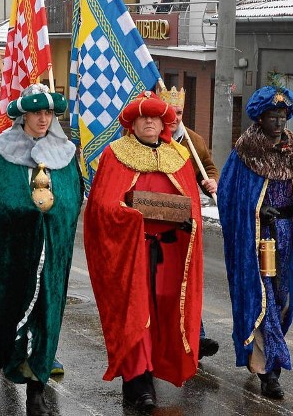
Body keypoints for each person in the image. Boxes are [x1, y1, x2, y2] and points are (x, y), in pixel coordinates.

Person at [84, 91, 204, 410]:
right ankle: (138, 382)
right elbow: (101, 207)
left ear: (164, 122)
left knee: (162, 314)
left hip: (167, 256)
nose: (149, 121)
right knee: (137, 315)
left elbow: (190, 206)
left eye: (155, 117)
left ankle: (152, 371)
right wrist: (129, 216)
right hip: (130, 254)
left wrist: (188, 224)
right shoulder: (115, 155)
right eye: (143, 117)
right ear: (133, 122)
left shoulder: (178, 156)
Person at [0, 84, 82, 416]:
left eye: (48, 113)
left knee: (46, 318)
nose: (44, 119)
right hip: (9, 250)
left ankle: (36, 390)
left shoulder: (65, 153)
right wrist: (16, 212)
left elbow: (74, 200)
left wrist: (54, 212)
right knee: (4, 310)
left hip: (49, 253)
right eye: (37, 113)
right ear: (24, 116)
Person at [218, 85, 293, 399]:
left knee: (284, 299)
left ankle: (265, 357)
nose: (277, 122)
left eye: (282, 116)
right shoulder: (246, 152)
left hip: (289, 236)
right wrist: (258, 211)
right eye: (272, 116)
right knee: (263, 300)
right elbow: (229, 196)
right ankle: (269, 370)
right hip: (259, 238)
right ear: (260, 118)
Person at [159, 85, 220, 359]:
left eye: (179, 112)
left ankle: (198, 335)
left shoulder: (193, 140)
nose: (174, 118)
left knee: (188, 278)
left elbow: (207, 166)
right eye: (169, 112)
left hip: (186, 221)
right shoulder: (149, 139)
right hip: (156, 222)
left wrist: (211, 181)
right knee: (160, 282)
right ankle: (159, 337)